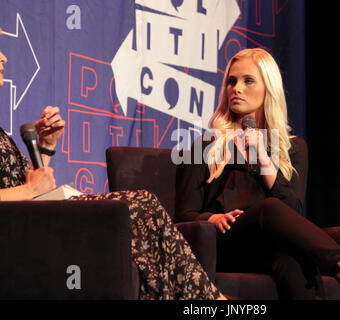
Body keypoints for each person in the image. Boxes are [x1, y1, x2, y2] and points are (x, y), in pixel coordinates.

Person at [175, 47, 340, 300]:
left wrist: (263, 157)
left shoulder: (293, 148)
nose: (236, 88)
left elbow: (291, 210)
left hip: (269, 249)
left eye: (248, 81)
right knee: (269, 209)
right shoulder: (205, 147)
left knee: (294, 262)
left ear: (269, 89)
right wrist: (212, 218)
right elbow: (182, 215)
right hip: (225, 246)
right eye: (232, 81)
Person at [0, 48, 225, 300]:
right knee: (137, 205)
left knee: (139, 215)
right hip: (18, 234)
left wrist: (46, 145)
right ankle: (210, 300)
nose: (4, 57)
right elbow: (29, 192)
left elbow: (28, 188)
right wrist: (30, 190)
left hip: (29, 222)